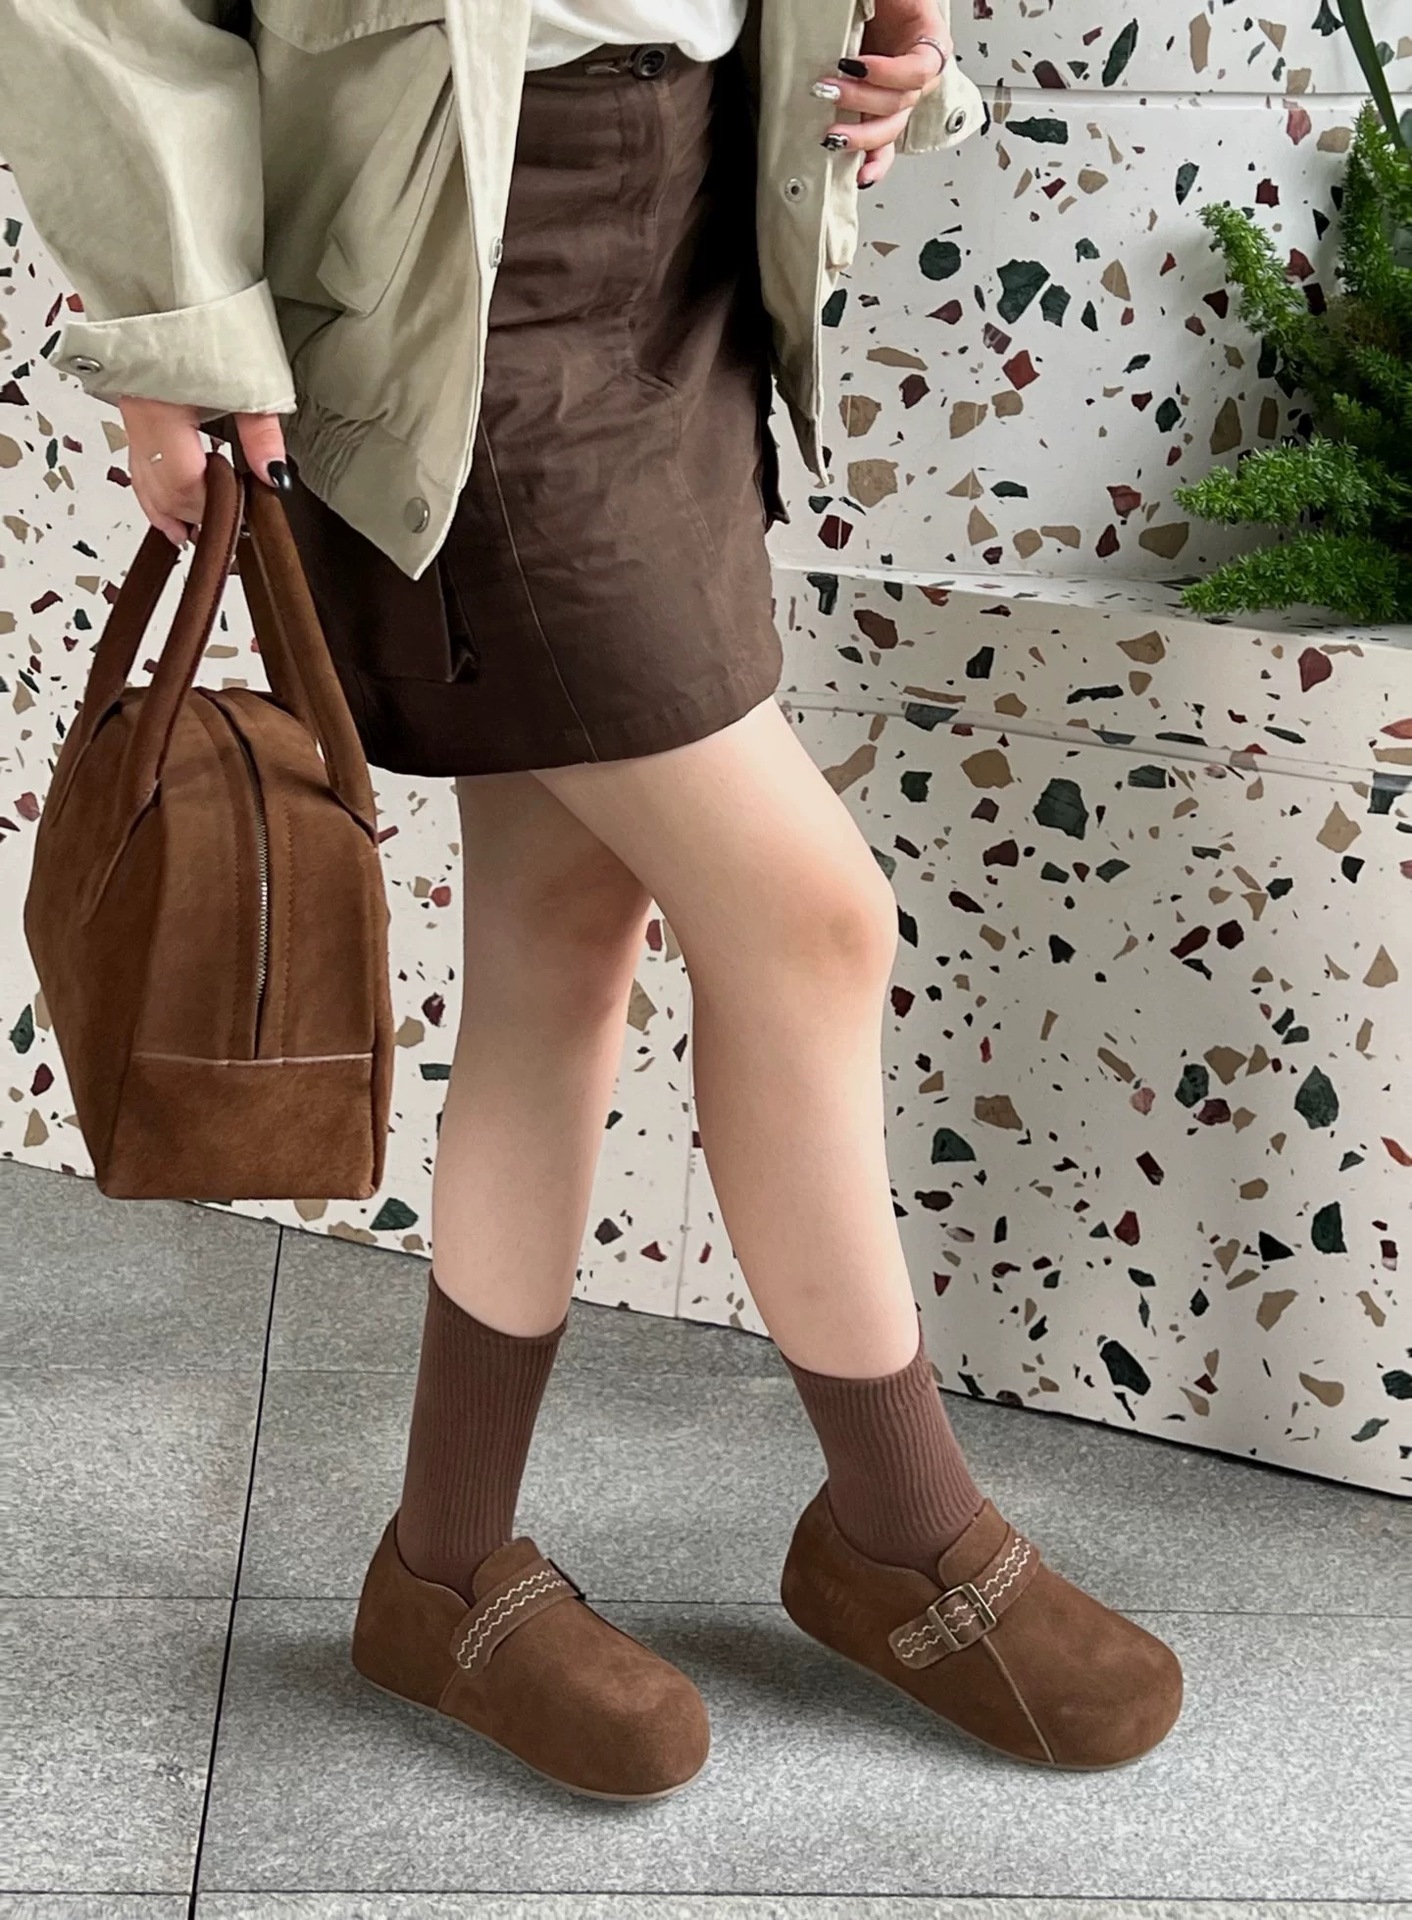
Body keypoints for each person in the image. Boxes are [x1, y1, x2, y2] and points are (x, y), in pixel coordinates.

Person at [1, 0, 1181, 1801]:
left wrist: (897, 35)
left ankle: (445, 1566)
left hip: (697, 228)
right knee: (814, 924)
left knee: (562, 943)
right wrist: (170, 327)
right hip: (452, 275)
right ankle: (902, 1532)